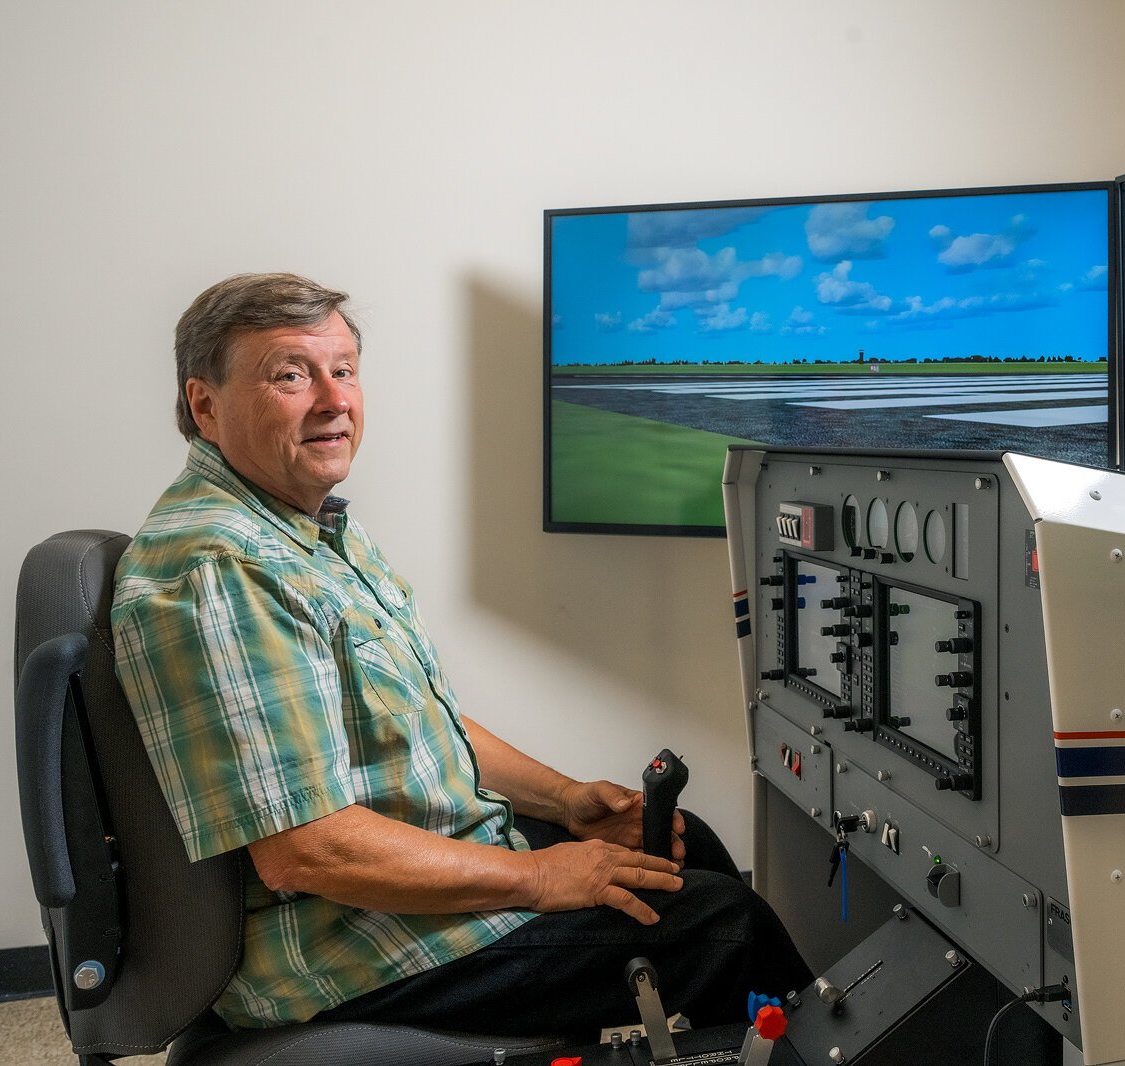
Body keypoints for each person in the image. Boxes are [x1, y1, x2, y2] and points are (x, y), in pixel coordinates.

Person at [111, 273, 811, 1035]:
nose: (333, 398)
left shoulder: (303, 529)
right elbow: (306, 851)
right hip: (353, 947)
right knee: (726, 927)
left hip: (420, 871)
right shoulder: (222, 566)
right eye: (290, 374)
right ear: (204, 405)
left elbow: (414, 719)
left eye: (343, 369)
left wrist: (565, 799)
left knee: (683, 844)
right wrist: (538, 876)